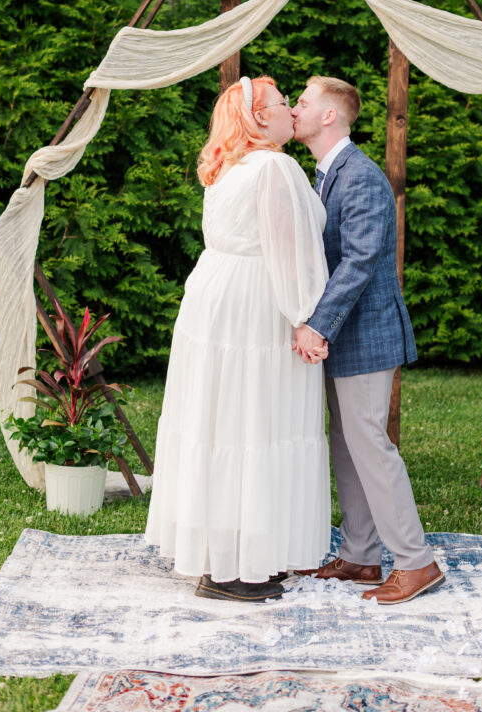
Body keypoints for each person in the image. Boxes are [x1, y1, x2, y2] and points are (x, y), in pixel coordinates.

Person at [145, 75, 331, 602]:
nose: (290, 111)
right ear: (257, 118)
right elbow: (289, 249)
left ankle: (221, 556)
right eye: (280, 104)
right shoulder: (274, 166)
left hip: (213, 296)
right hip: (254, 301)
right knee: (254, 420)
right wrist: (307, 318)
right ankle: (235, 572)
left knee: (220, 420)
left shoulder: (228, 166)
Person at [292, 76, 445, 605]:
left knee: (371, 447)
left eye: (303, 102)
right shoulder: (326, 174)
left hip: (366, 332)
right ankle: (360, 555)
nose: (295, 109)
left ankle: (416, 562)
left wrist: (316, 325)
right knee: (348, 446)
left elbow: (358, 262)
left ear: (330, 116)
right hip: (346, 335)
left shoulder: (359, 176)